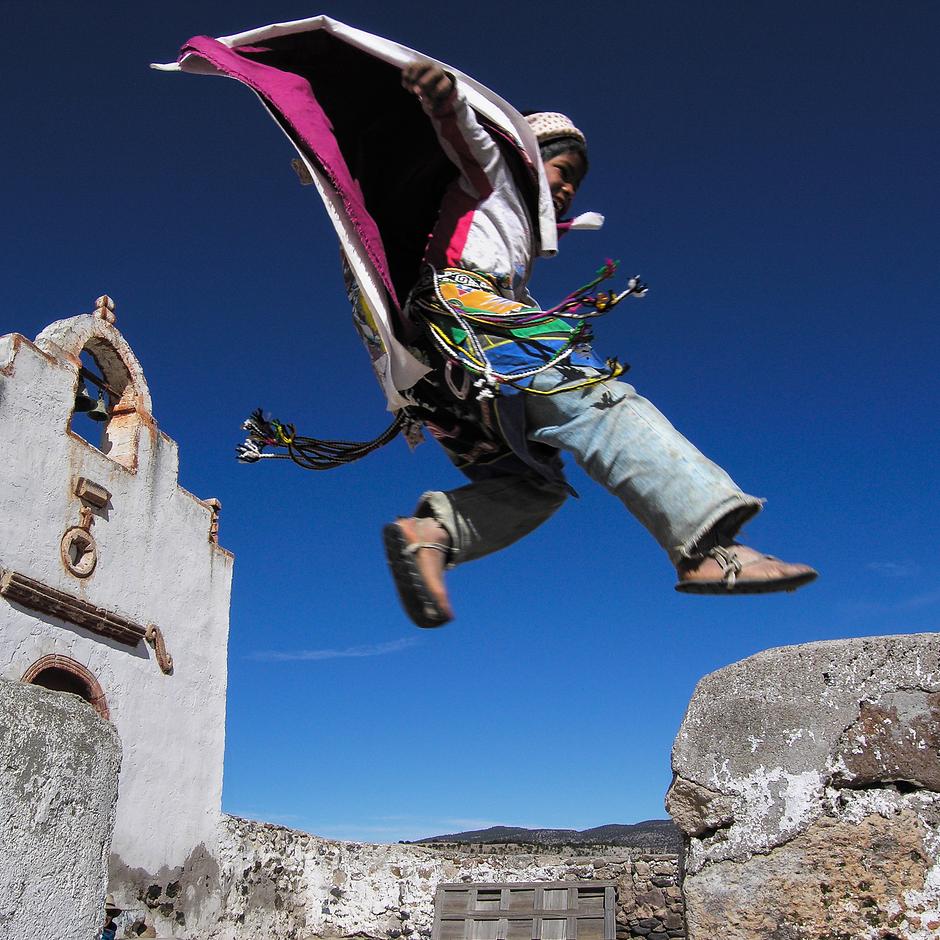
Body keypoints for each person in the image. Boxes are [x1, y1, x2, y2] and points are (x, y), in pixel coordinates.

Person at [381, 63, 817, 628]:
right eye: (560, 169)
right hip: (471, 312)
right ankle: (707, 546)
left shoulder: (509, 226)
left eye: (575, 184)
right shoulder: (494, 178)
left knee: (533, 485)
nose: (566, 188)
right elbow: (470, 137)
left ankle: (433, 534)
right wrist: (445, 101)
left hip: (445, 372)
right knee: (599, 402)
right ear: (525, 155)